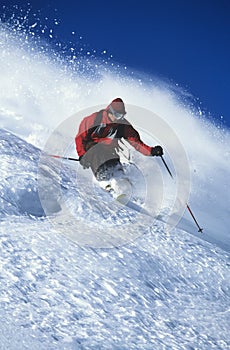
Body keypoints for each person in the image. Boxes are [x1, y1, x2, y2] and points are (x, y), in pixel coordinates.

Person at [75, 98, 163, 182]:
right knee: (96, 151)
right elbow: (80, 138)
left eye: (121, 116)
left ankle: (123, 186)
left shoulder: (123, 125)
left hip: (109, 150)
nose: (119, 118)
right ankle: (103, 180)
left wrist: (151, 151)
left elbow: (136, 143)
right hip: (92, 148)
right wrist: (82, 155)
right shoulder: (95, 119)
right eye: (117, 115)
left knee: (115, 164)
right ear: (109, 112)